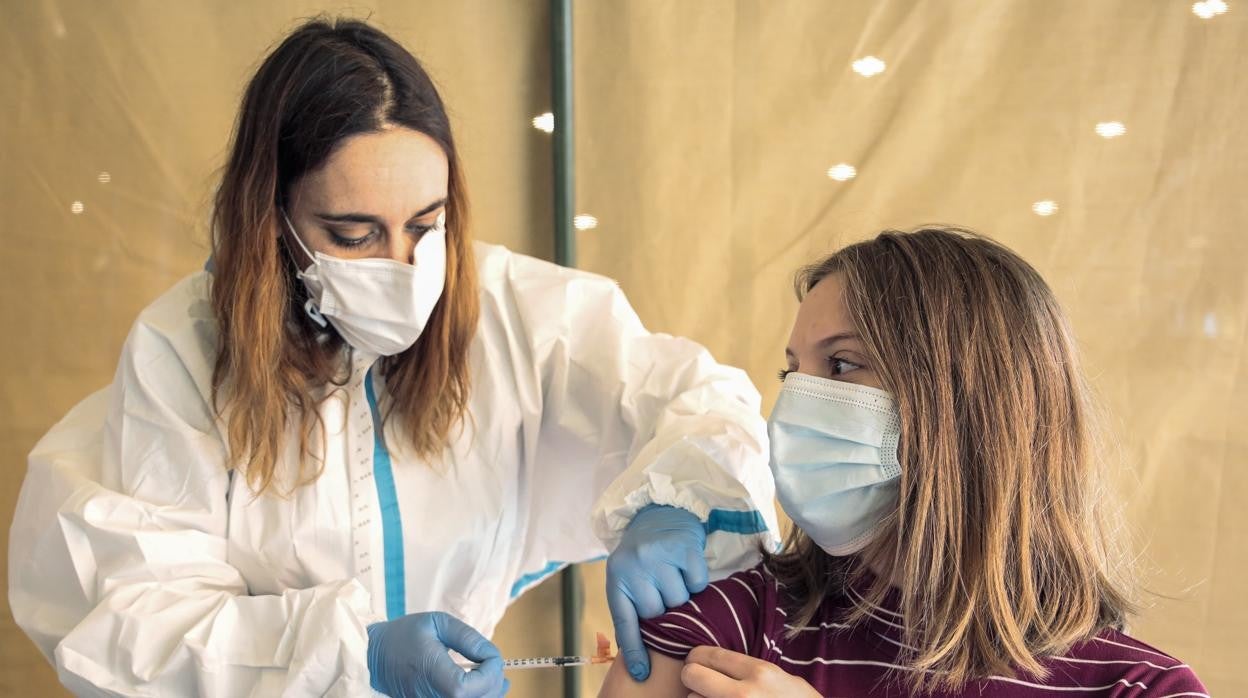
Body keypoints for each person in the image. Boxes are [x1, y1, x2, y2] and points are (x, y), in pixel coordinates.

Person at [8, 18, 779, 697]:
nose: (405, 268)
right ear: (271, 216)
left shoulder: (516, 313)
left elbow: (701, 400)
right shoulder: (183, 355)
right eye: (353, 234)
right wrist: (353, 656)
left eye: (425, 224)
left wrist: (676, 500)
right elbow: (131, 619)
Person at [599, 228, 1208, 697]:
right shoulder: (736, 626)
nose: (794, 404)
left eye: (840, 365)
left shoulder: (1137, 688)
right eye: (793, 371)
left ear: (968, 401)